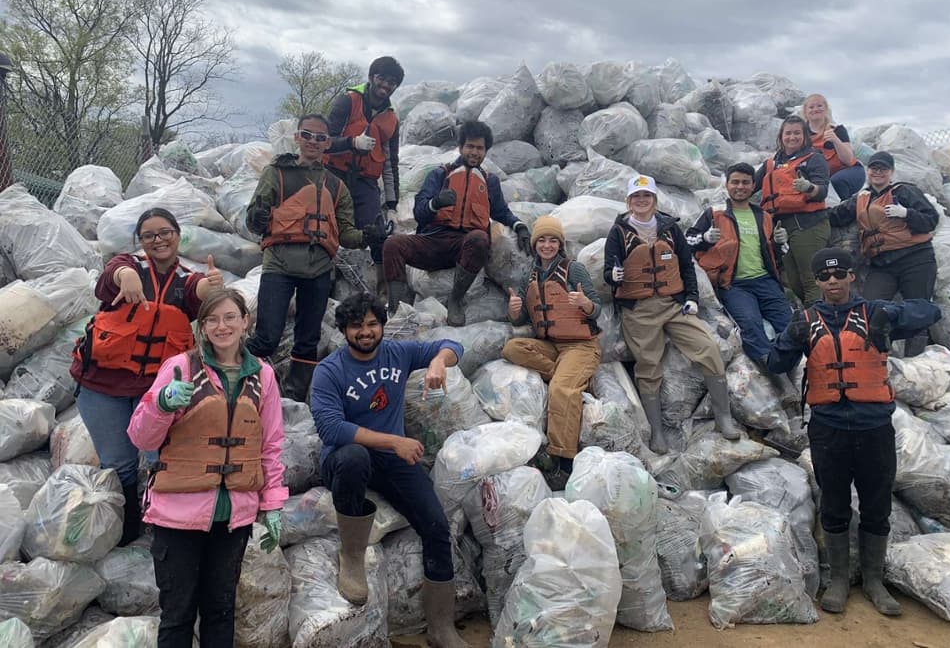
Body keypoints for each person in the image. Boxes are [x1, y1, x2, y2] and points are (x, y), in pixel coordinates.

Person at [767, 248, 941, 617]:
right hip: (828, 429)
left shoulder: (876, 312)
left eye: (839, 275)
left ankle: (875, 581)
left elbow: (930, 311)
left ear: (851, 277)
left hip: (874, 427)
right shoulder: (807, 320)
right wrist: (790, 336)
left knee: (877, 505)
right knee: (834, 504)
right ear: (817, 282)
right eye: (825, 277)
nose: (833, 282)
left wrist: (891, 313)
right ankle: (840, 580)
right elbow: (776, 362)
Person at [128, 288, 288, 648]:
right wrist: (163, 404)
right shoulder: (181, 367)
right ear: (202, 327)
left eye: (230, 317)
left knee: (220, 610)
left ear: (245, 322)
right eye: (212, 319)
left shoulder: (263, 376)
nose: (222, 326)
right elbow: (141, 437)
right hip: (176, 516)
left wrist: (273, 504)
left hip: (233, 519)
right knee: (177, 614)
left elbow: (271, 445)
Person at [310, 292, 468, 648]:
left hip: (391, 460)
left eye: (372, 324)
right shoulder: (329, 370)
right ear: (344, 330)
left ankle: (441, 627)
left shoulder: (398, 352)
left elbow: (451, 343)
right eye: (356, 326)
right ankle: (352, 555)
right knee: (354, 456)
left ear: (382, 326)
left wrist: (440, 361)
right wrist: (394, 441)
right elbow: (331, 429)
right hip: (345, 462)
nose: (365, 332)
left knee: (436, 525)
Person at [70, 207, 224, 547]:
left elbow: (201, 293)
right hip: (102, 386)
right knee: (119, 464)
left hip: (155, 391)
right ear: (140, 241)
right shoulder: (126, 267)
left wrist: (212, 289)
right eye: (150, 235)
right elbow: (113, 273)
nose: (159, 240)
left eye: (165, 232)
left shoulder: (187, 280)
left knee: (162, 458)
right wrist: (127, 276)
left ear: (177, 235)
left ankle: (164, 521)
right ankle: (127, 529)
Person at [245, 114, 383, 402]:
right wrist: (257, 218)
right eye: (307, 135)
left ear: (328, 143)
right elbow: (253, 222)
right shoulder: (277, 173)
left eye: (320, 138)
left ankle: (293, 400)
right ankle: (243, 388)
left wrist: (367, 236)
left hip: (319, 270)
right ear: (297, 137)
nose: (313, 142)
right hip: (279, 264)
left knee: (307, 341)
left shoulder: (337, 186)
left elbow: (345, 235)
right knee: (266, 337)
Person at [604, 175, 740, 449]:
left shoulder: (670, 229)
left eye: (647, 196)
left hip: (673, 304)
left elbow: (687, 267)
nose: (641, 201)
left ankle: (723, 418)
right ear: (629, 201)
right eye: (636, 197)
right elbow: (609, 271)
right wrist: (614, 275)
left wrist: (692, 298)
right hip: (639, 310)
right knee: (648, 366)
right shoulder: (618, 233)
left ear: (654, 200)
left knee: (708, 349)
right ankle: (657, 431)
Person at [382, 120, 531, 326]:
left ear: (486, 151)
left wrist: (520, 227)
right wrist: (436, 203)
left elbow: (501, 212)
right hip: (432, 242)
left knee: (480, 238)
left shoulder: (490, 181)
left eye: (479, 148)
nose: (474, 152)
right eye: (470, 146)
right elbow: (419, 212)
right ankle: (396, 309)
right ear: (460, 147)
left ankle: (455, 300)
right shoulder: (439, 174)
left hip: (464, 248)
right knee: (392, 244)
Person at [502, 216, 602, 489]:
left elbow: (598, 308)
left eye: (553, 240)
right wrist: (513, 312)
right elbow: (522, 316)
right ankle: (568, 374)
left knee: (560, 390)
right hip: (552, 346)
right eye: (542, 240)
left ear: (560, 244)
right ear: (535, 245)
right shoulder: (530, 275)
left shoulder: (575, 270)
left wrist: (585, 303)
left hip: (581, 345)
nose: (547, 245)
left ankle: (563, 459)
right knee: (512, 348)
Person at [687, 162, 793, 389]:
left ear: (753, 186)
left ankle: (794, 369)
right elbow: (687, 242)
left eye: (745, 182)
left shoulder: (764, 216)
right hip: (733, 285)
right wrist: (705, 238)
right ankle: (780, 380)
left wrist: (781, 243)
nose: (740, 187)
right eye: (735, 182)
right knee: (750, 325)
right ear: (727, 185)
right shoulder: (714, 213)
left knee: (790, 325)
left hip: (765, 280)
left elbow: (774, 254)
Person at [829, 151, 940, 356]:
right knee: (869, 309)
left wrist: (907, 213)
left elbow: (931, 219)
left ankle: (916, 361)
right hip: (882, 264)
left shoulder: (905, 191)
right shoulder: (861, 198)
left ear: (891, 172)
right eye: (873, 168)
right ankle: (877, 355)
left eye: (883, 169)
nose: (878, 172)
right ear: (867, 171)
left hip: (915, 259)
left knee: (919, 311)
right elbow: (836, 216)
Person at [325, 56, 404, 291]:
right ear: (371, 77)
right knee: (325, 225)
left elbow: (390, 163)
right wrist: (352, 143)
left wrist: (392, 205)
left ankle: (382, 288)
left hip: (366, 183)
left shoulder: (391, 119)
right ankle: (324, 276)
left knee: (377, 233)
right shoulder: (347, 102)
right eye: (382, 79)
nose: (386, 86)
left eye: (392, 82)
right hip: (334, 175)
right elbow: (324, 142)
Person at [755, 114, 831, 307]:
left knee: (811, 280)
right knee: (794, 281)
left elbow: (822, 190)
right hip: (782, 229)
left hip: (809, 225)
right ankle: (813, 318)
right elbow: (750, 185)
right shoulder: (771, 163)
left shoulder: (815, 159)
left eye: (797, 133)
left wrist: (808, 187)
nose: (792, 137)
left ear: (805, 136)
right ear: (781, 136)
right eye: (788, 133)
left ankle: (819, 324)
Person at [804, 93, 865, 200]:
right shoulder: (802, 134)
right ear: (805, 111)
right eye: (811, 107)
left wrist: (836, 140)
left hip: (849, 171)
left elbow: (848, 159)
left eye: (819, 106)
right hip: (821, 176)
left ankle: (844, 211)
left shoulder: (837, 130)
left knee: (836, 182)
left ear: (826, 109)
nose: (815, 109)